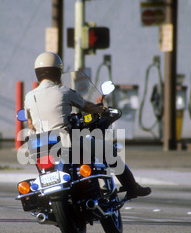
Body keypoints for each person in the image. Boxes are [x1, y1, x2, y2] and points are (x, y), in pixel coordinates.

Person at [24, 52, 151, 200]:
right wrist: (101, 109)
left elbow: (30, 123)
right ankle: (131, 187)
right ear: (57, 71)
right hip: (67, 142)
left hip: (42, 146)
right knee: (108, 149)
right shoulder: (64, 92)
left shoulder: (29, 96)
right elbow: (87, 106)